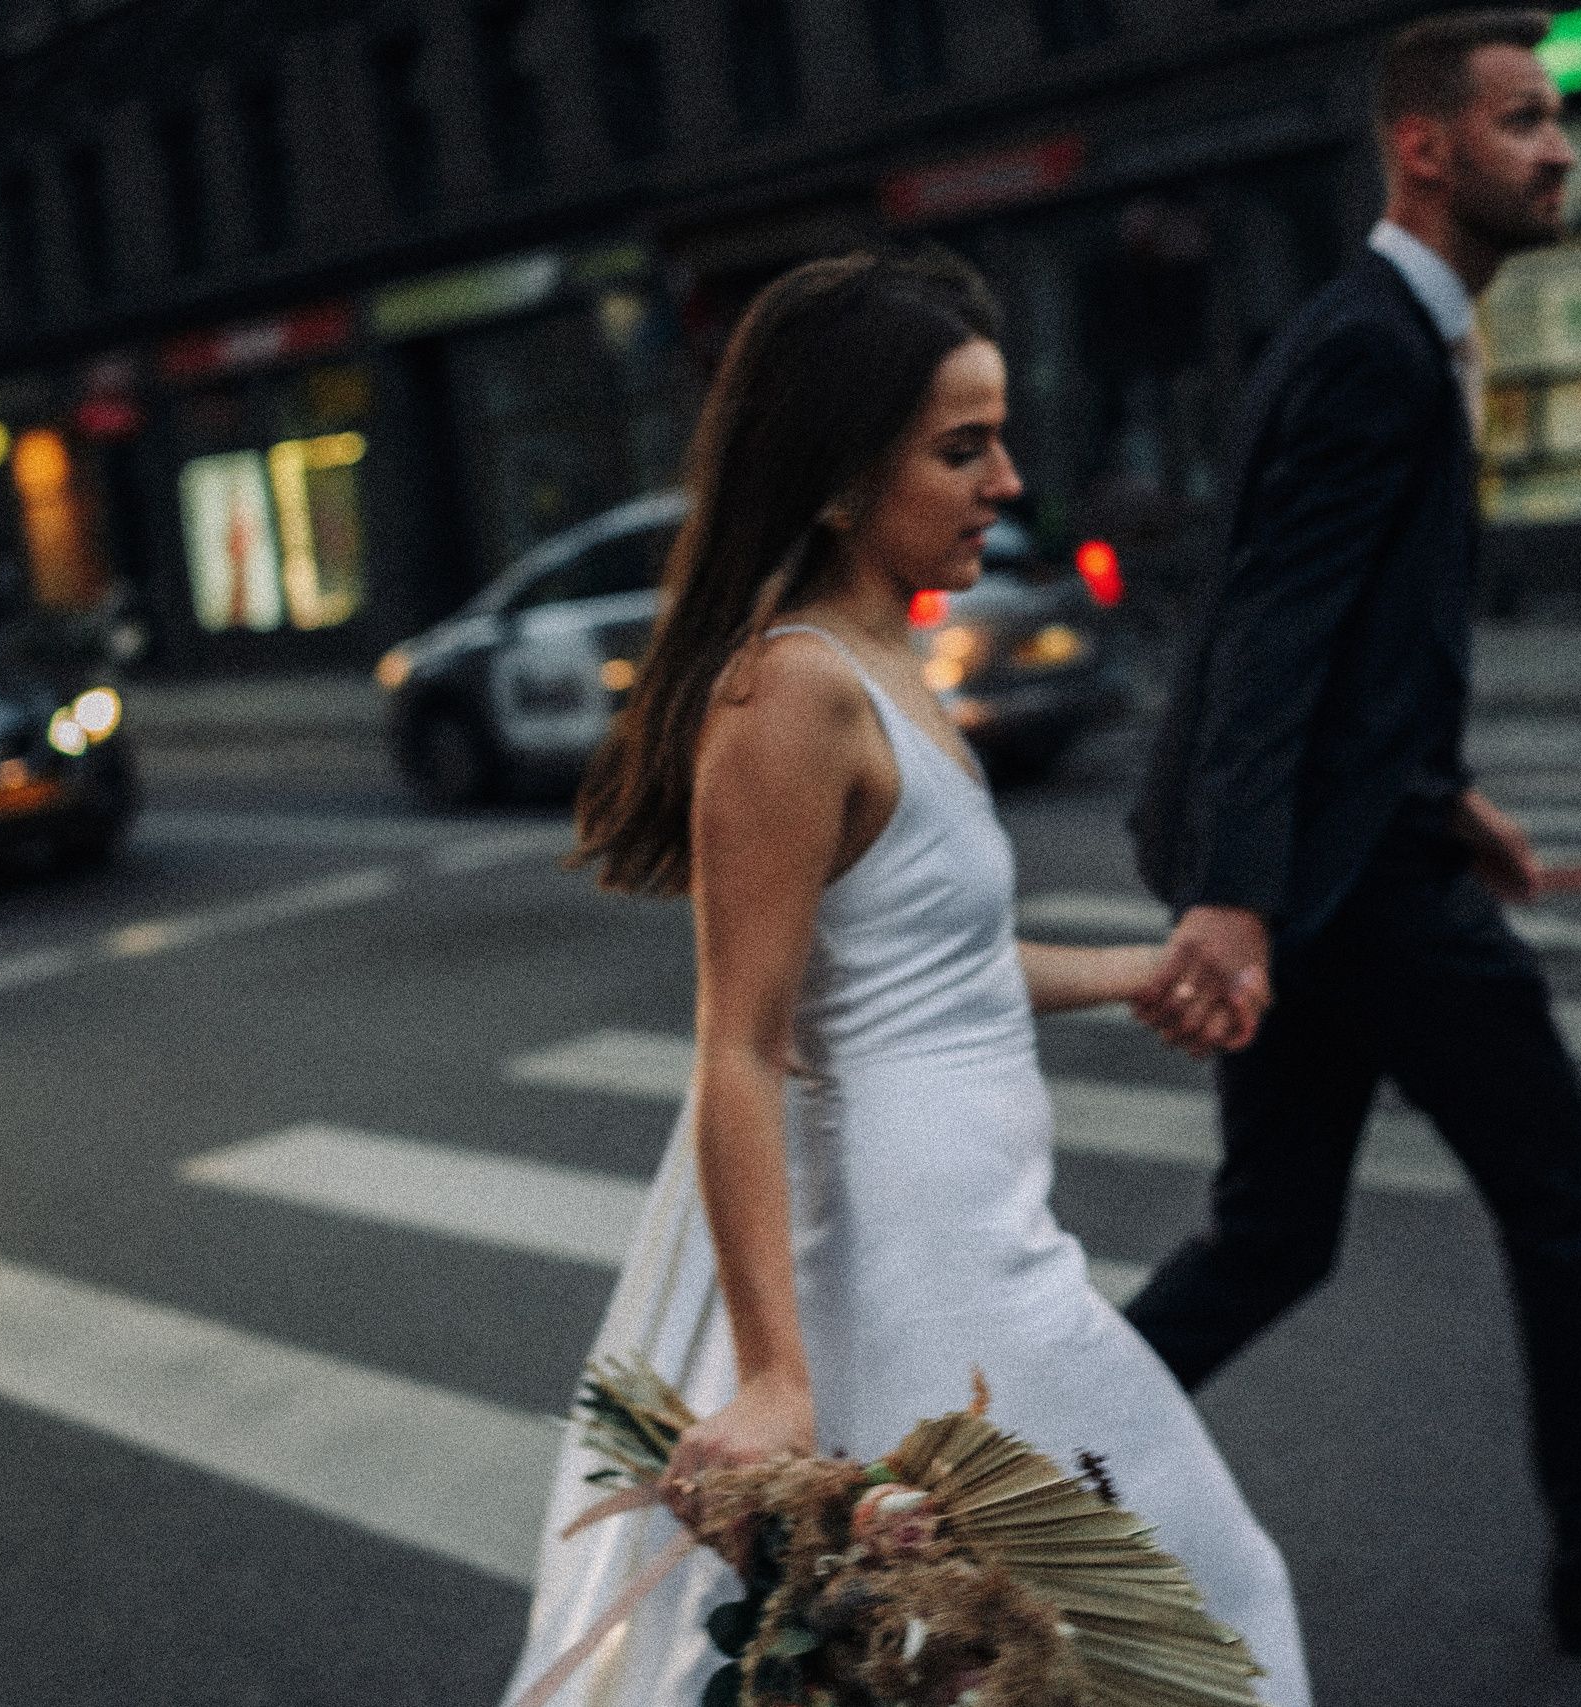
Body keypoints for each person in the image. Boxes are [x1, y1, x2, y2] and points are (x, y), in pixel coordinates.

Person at [502, 251, 1311, 1707]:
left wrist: (1149, 965)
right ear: (835, 470)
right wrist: (772, 1376)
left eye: (1000, 436)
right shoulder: (789, 691)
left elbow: (918, 968)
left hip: (981, 1238)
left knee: (1064, 1657)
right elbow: (740, 1046)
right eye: (962, 448)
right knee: (1186, 1613)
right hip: (915, 1269)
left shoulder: (889, 659)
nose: (1007, 479)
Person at [1124, 9, 1581, 1658]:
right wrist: (1236, 900)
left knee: (1273, 1237)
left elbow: (1337, 633)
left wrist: (1448, 794)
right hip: (1349, 889)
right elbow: (1275, 632)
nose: (1562, 148)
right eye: (1522, 120)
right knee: (1559, 1185)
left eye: (1556, 120)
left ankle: (1003, 1485)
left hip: (1348, 854)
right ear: (1427, 148)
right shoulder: (1374, 345)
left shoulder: (1384, 331)